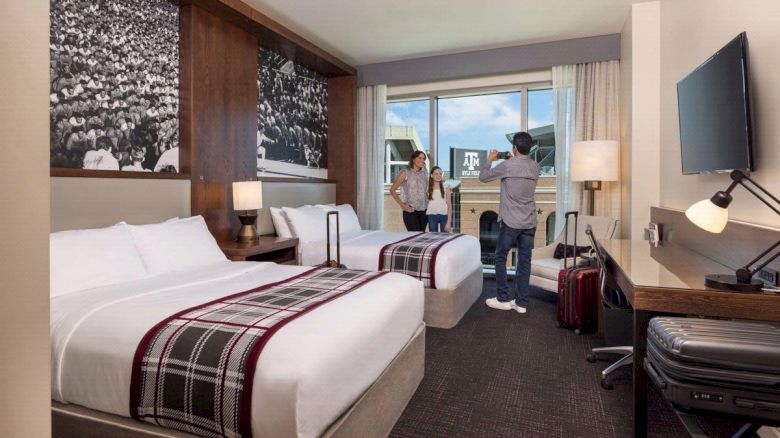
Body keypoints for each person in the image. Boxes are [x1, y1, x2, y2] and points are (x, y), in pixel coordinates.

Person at [479, 132, 539, 314]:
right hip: (529, 221)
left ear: (514, 147)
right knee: (524, 261)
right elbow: (521, 169)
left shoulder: (507, 165)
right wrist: (512, 159)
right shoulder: (535, 166)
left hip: (511, 222)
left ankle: (503, 298)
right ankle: (521, 303)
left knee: (500, 257)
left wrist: (490, 159)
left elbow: (483, 176)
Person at [390, 151, 429, 231]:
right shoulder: (405, 173)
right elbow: (392, 190)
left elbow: (427, 191)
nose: (422, 160)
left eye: (423, 159)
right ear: (413, 159)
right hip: (410, 210)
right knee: (415, 235)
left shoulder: (425, 174)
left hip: (424, 211)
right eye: (420, 158)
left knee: (421, 236)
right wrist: (403, 205)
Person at [426, 166, 451, 232]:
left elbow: (449, 206)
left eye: (440, 174)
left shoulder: (446, 187)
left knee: (444, 238)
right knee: (433, 238)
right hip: (432, 216)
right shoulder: (427, 188)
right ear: (431, 175)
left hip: (444, 216)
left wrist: (448, 222)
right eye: (436, 174)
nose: (439, 176)